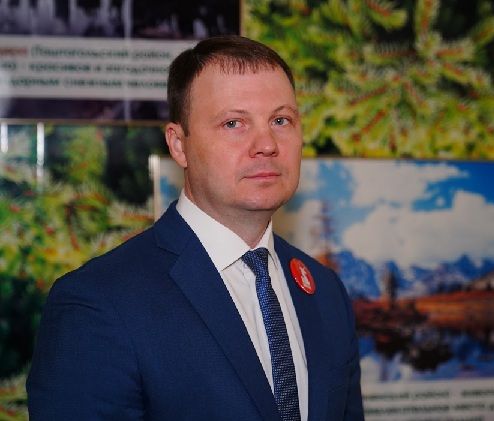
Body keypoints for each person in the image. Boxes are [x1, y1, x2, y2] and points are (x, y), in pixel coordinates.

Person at [26, 35, 364, 420]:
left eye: (280, 120)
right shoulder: (98, 303)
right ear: (179, 145)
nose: (267, 144)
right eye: (234, 123)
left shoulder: (325, 293)